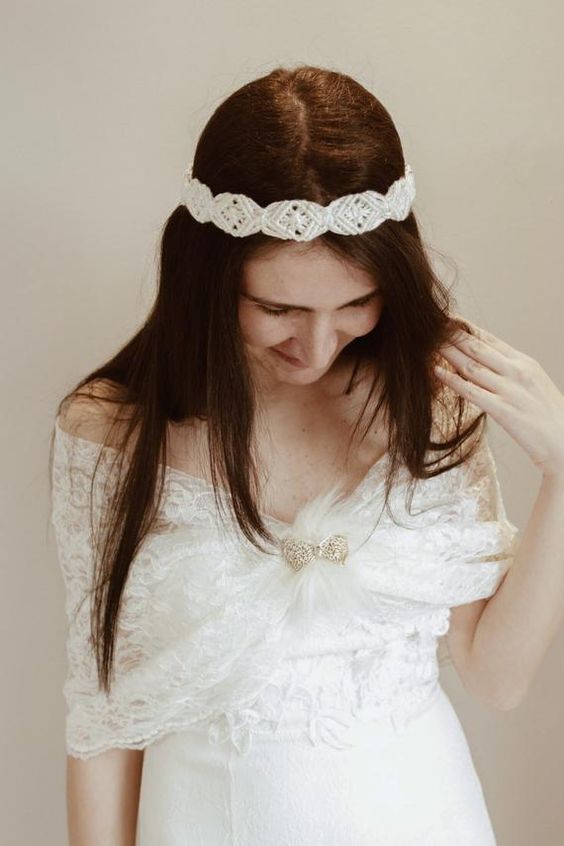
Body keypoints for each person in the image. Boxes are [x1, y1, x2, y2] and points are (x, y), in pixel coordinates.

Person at [49, 65, 564, 845]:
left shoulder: (429, 401)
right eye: (279, 308)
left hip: (423, 818)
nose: (319, 344)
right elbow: (103, 715)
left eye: (356, 303)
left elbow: (496, 677)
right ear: (210, 281)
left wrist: (562, 474)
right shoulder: (113, 430)